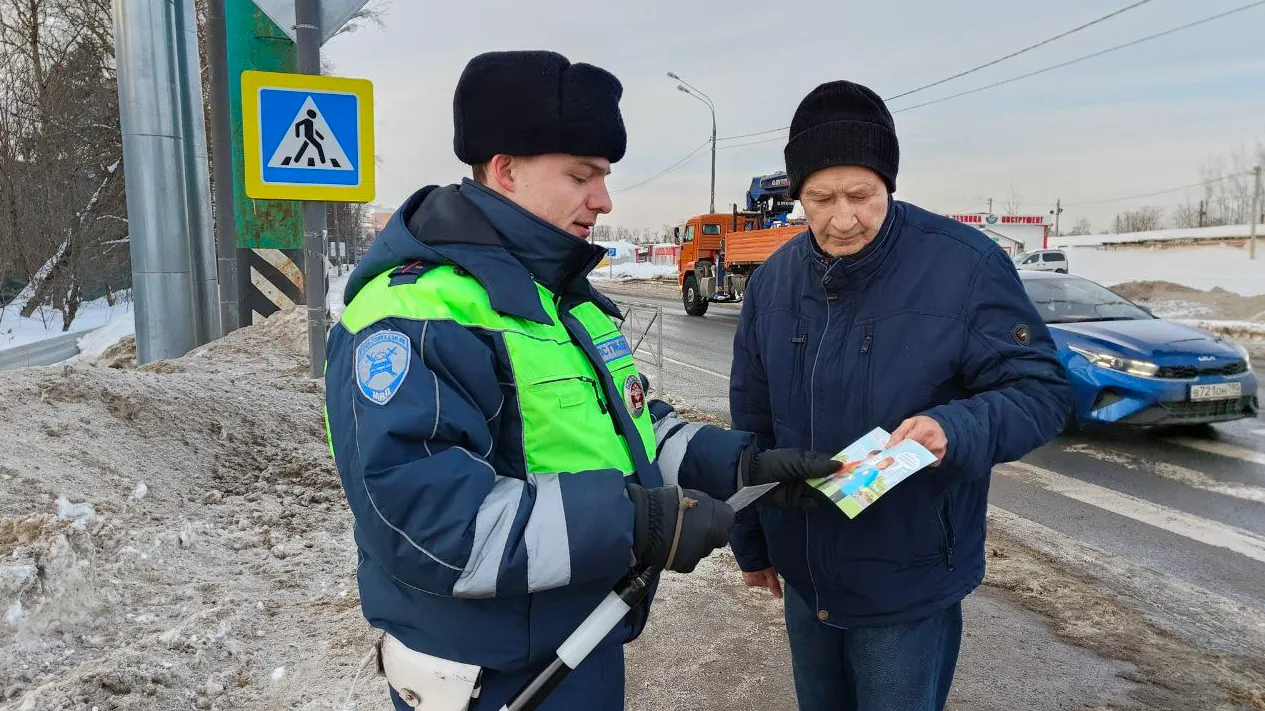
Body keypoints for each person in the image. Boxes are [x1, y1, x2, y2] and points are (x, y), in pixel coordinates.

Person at [323, 50, 839, 711]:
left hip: (576, 646)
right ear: (505, 170)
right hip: (493, 677)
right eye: (581, 175)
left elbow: (630, 427)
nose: (603, 199)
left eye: (603, 175)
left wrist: (741, 466)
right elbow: (430, 525)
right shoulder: (417, 313)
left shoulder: (566, 300)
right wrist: (635, 522)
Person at [729, 80, 1073, 711]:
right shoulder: (773, 282)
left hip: (907, 576)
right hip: (805, 570)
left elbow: (1041, 390)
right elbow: (751, 422)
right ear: (795, 194)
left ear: (888, 182)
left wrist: (956, 430)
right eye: (819, 198)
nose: (842, 218)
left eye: (861, 195)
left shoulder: (963, 266)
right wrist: (752, 540)